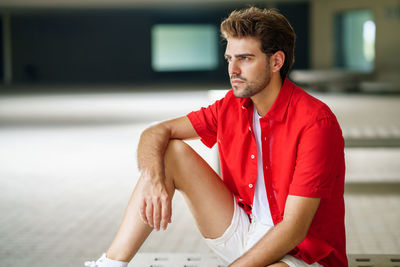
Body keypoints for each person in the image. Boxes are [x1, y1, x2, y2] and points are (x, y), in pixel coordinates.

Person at [84, 7, 348, 267]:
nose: (233, 69)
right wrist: (154, 180)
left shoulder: (315, 122)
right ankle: (110, 264)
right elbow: (155, 132)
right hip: (246, 231)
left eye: (245, 58)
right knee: (170, 152)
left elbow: (294, 228)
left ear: (276, 61)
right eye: (229, 58)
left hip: (298, 253)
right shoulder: (230, 106)